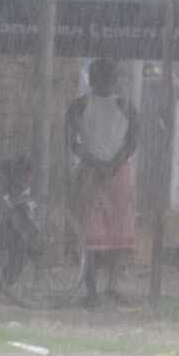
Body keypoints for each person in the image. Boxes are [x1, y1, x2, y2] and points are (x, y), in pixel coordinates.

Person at [65, 57, 139, 308]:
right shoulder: (126, 106)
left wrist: (95, 162)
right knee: (115, 233)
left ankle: (93, 290)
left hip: (91, 173)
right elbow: (132, 143)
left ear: (91, 78)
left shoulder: (79, 105)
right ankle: (111, 287)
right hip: (117, 174)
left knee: (90, 234)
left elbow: (72, 142)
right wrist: (113, 164)